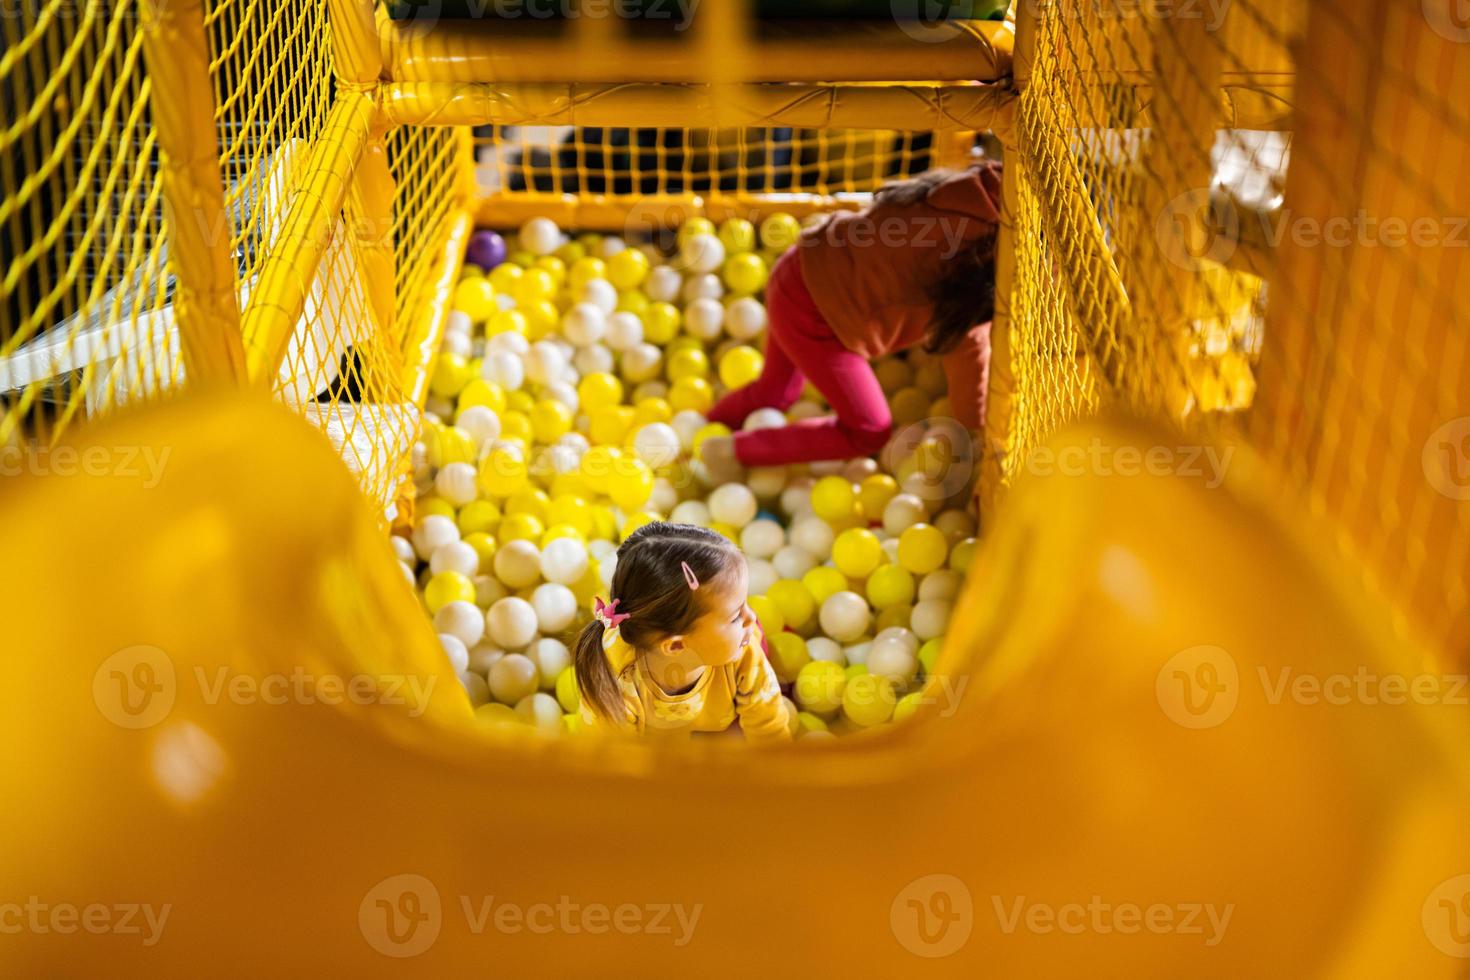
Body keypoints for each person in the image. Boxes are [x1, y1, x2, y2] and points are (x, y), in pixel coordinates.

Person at [702, 160, 1000, 474]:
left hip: (796, 267)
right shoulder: (979, 259)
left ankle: (706, 425)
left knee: (775, 391)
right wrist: (979, 429)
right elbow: (968, 350)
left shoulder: (974, 187)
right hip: (814, 316)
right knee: (870, 429)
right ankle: (731, 451)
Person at [573, 522, 792, 741]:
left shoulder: (744, 650)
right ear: (676, 645)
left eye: (745, 603)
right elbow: (607, 759)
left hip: (725, 693)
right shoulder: (615, 681)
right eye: (735, 616)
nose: (751, 617)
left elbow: (770, 730)